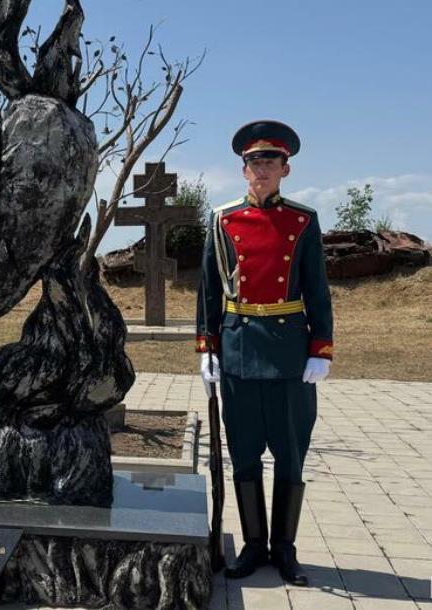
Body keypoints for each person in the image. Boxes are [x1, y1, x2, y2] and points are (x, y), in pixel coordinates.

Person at [196, 120, 333, 585]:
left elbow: (317, 290)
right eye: (254, 162)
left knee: (291, 454)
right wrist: (207, 348)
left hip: (290, 354)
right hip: (238, 349)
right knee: (245, 452)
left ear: (285, 169)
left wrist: (321, 348)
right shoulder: (223, 220)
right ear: (243, 170)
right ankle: (254, 545)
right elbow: (208, 292)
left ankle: (285, 549)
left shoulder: (303, 221)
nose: (262, 169)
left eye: (270, 162)